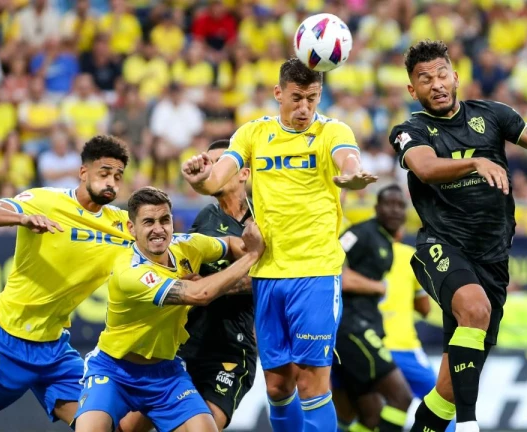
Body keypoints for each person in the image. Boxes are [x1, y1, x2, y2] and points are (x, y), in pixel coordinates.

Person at [389, 40, 527, 432]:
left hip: (492, 260)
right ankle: (469, 425)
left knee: (447, 390)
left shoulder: (492, 115)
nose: (437, 84)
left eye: (442, 75)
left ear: (455, 77)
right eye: (425, 79)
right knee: (475, 309)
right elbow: (425, 168)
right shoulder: (410, 130)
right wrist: (476, 162)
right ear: (413, 90)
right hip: (441, 247)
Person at [182, 58, 377, 432]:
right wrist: (199, 179)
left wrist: (352, 175)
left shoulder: (332, 131)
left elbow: (347, 159)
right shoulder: (253, 133)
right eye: (297, 98)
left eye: (312, 98)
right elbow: (215, 180)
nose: (305, 108)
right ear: (278, 93)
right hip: (268, 275)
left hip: (315, 274)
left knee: (311, 383)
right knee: (278, 386)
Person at [73, 186, 265, 432]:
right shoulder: (130, 272)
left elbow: (228, 243)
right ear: (132, 228)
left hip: (165, 372)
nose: (158, 229)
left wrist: (248, 248)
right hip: (115, 370)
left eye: (164, 220)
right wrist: (253, 255)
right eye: (148, 222)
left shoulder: (187, 246)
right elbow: (200, 294)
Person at [118, 139, 257, 432]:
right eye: (211, 164)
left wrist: (209, 286)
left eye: (222, 163)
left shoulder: (264, 220)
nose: (214, 170)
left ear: (243, 173)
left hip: (230, 349)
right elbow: (185, 267)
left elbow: (268, 277)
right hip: (185, 341)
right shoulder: (207, 216)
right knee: (126, 427)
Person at [0, 135, 134, 427]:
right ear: (83, 172)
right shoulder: (44, 200)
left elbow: (169, 242)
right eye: (104, 173)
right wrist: (21, 220)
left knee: (99, 426)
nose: (111, 182)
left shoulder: (123, 225)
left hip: (54, 351)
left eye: (118, 176)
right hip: (5, 338)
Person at [332, 184, 413, 432]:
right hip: (353, 328)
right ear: (377, 208)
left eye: (400, 206)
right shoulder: (361, 233)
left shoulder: (386, 240)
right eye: (389, 204)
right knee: (401, 397)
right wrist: (378, 287)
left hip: (364, 325)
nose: (395, 210)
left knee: (371, 417)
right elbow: (334, 269)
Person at [380, 231, 456, 432]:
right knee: (442, 399)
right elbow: (424, 308)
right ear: (400, 231)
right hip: (402, 346)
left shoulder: (359, 251)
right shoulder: (408, 255)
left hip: (366, 343)